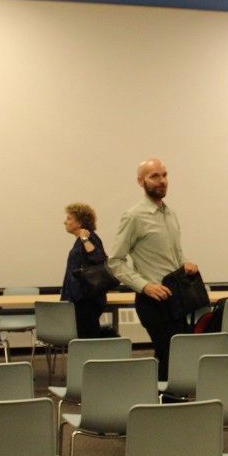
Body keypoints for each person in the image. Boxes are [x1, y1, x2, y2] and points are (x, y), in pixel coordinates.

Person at [108, 158, 197, 381]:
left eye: (165, 175)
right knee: (171, 359)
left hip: (177, 297)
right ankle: (168, 409)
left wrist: (185, 261)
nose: (162, 181)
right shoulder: (134, 216)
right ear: (141, 182)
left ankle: (165, 407)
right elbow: (115, 261)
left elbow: (174, 254)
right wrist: (144, 286)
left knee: (176, 360)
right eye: (155, 176)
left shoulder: (170, 214)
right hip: (153, 301)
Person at [60, 202, 109, 339]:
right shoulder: (79, 241)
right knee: (82, 336)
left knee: (87, 338)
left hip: (87, 300)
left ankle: (89, 360)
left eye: (69, 218)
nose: (65, 222)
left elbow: (99, 259)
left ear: (80, 222)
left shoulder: (90, 237)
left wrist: (85, 239)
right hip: (80, 300)